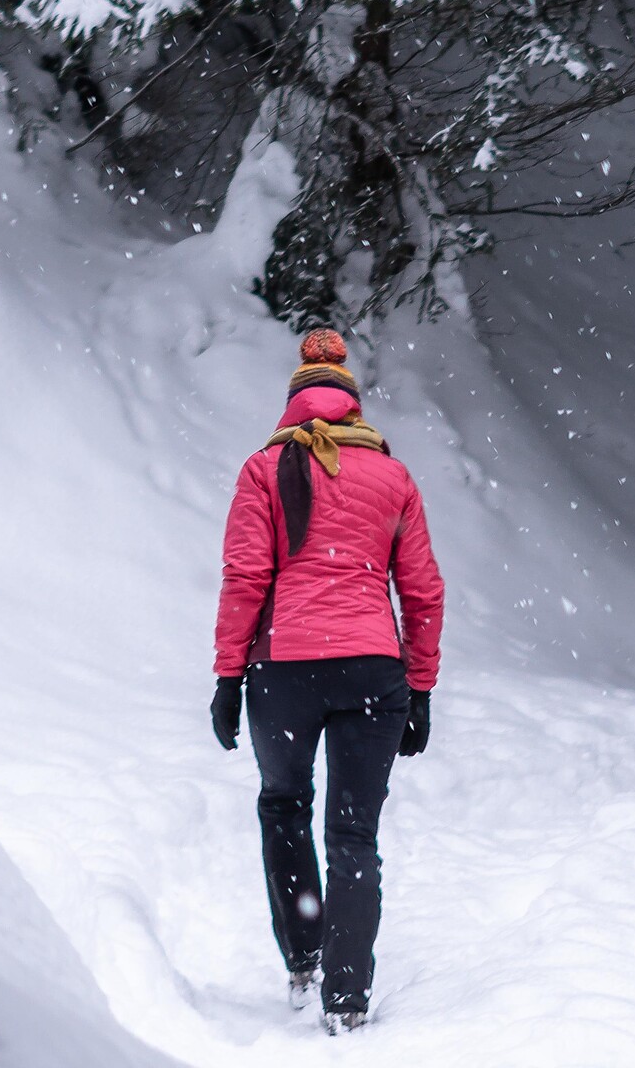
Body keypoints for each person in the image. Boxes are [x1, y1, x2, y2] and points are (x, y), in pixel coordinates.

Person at [210, 327, 446, 1034]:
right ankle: (346, 999)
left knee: (284, 803)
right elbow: (425, 592)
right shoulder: (393, 477)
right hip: (373, 671)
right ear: (354, 409)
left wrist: (228, 678)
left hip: (283, 673)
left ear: (294, 406)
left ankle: (303, 956)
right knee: (353, 835)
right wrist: (422, 687)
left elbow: (246, 576)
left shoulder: (264, 469)